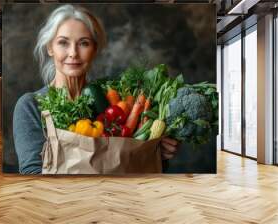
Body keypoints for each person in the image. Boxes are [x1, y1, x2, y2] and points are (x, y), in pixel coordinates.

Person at [13, 4, 178, 174]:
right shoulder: (31, 105)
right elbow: (32, 173)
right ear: (50, 48)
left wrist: (159, 153)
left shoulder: (114, 102)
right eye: (63, 42)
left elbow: (137, 165)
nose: (73, 53)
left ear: (95, 49)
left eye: (84, 43)